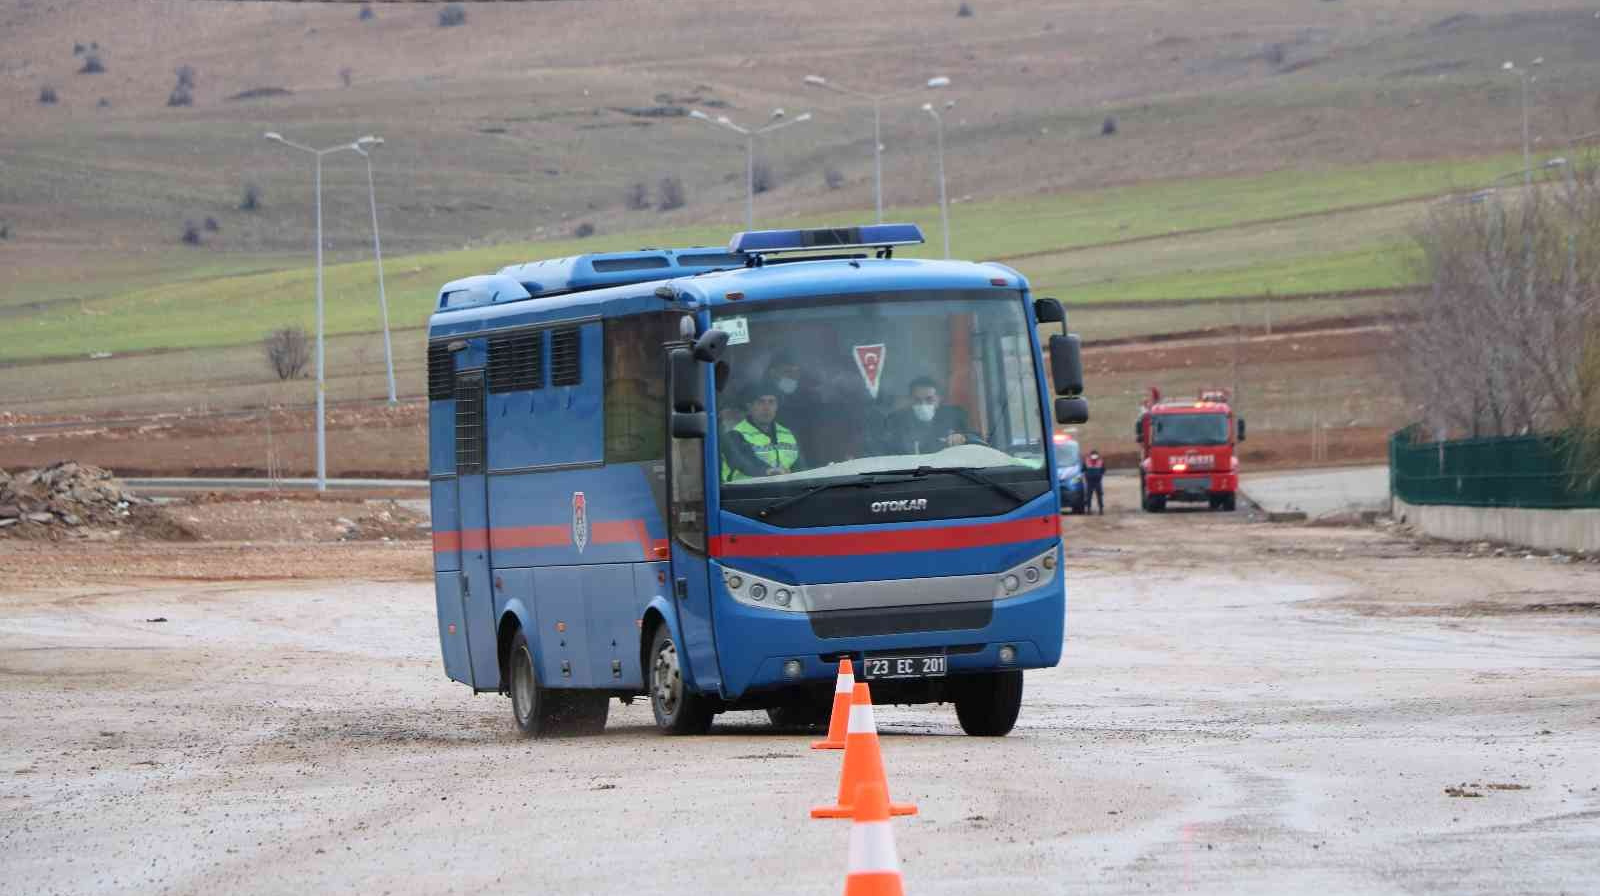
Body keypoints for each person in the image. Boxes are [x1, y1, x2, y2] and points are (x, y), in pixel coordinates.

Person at [720, 382, 805, 481]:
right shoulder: (734, 434)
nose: (767, 408)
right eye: (761, 402)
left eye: (771, 402)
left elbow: (801, 468)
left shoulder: (788, 434)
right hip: (746, 493)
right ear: (749, 407)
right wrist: (767, 471)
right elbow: (745, 464)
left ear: (776, 407)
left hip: (787, 493)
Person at [878, 375, 977, 456]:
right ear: (910, 400)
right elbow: (885, 451)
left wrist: (964, 437)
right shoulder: (897, 420)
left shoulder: (955, 415)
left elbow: (977, 440)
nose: (923, 404)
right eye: (917, 400)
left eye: (929, 399)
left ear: (939, 399)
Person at [1083, 448, 1105, 514]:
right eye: (1093, 455)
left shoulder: (1100, 461)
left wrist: (1100, 475)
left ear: (1097, 455)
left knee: (1099, 496)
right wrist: (1087, 475)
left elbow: (1103, 470)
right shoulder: (1087, 461)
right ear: (1090, 455)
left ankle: (1101, 510)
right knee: (1089, 496)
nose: (1094, 456)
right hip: (1089, 482)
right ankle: (1089, 510)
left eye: (1095, 455)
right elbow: (1083, 469)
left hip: (1097, 481)